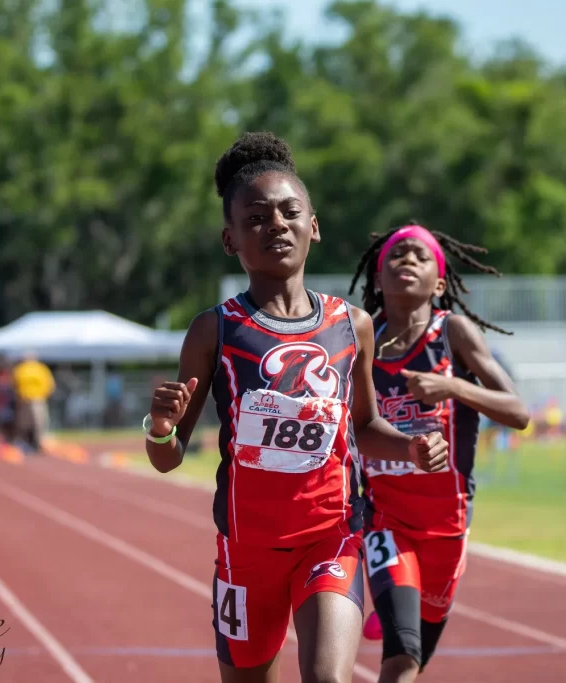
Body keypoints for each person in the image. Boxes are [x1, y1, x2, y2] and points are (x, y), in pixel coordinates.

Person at [143, 132, 450, 683]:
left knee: (327, 680)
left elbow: (363, 426)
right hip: (247, 550)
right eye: (256, 218)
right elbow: (168, 457)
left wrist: (410, 447)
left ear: (314, 224)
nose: (275, 225)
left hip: (330, 534)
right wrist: (161, 428)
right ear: (229, 238)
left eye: (289, 212)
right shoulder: (215, 329)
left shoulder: (351, 325)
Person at [347, 224, 529, 682]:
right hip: (385, 519)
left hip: (447, 526)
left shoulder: (454, 333)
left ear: (440, 283)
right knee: (402, 653)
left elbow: (519, 412)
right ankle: (389, 604)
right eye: (396, 255)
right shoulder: (359, 342)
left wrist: (452, 386)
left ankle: (392, 608)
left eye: (420, 256)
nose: (407, 260)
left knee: (416, 657)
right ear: (378, 278)